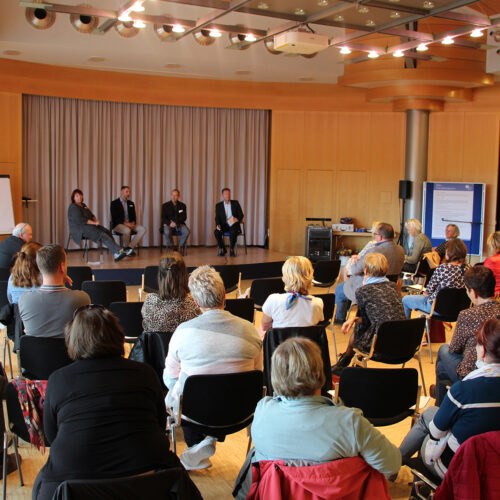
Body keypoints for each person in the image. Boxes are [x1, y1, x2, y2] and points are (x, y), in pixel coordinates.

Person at [32, 305, 179, 500]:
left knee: (41, 483)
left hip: (74, 480)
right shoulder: (145, 373)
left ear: (73, 340)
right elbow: (160, 424)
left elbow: (52, 436)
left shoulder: (59, 379)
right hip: (147, 477)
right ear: (117, 335)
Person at [235, 337, 401, 498]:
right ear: (320, 373)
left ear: (275, 377)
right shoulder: (349, 422)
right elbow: (392, 465)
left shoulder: (263, 411)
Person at [163, 265, 262, 470]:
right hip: (241, 411)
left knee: (178, 384)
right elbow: (257, 372)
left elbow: (169, 376)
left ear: (196, 303)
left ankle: (198, 443)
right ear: (224, 295)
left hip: (195, 413)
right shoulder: (250, 330)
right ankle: (208, 439)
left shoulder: (183, 332)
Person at [399, 317, 500, 479]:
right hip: (494, 469)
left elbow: (436, 432)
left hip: (460, 468)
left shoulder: (463, 389)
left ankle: (394, 466)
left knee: (429, 421)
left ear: (482, 351)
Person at [433, 266, 500, 405]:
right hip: (495, 367)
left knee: (443, 351)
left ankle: (441, 407)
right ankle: (442, 400)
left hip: (472, 372)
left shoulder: (468, 314)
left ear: (473, 293)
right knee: (441, 368)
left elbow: (454, 348)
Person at [332, 253, 406, 375]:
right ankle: (349, 362)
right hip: (404, 343)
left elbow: (365, 322)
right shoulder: (393, 286)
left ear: (365, 270)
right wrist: (354, 318)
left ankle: (348, 363)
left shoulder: (363, 290)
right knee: (364, 325)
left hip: (380, 346)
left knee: (360, 328)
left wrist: (354, 319)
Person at [334, 222, 404, 323]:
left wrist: (354, 262)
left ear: (379, 236)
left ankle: (339, 319)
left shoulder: (374, 250)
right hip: (391, 287)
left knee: (339, 290)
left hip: (368, 287)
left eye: (375, 234)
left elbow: (354, 270)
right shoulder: (400, 250)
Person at [18, 244, 90, 338]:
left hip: (37, 352)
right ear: (62, 266)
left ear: (39, 267)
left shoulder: (24, 299)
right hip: (70, 352)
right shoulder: (82, 298)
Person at [402, 238, 468, 319]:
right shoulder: (468, 269)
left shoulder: (443, 268)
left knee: (405, 299)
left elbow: (428, 292)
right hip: (459, 310)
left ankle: (404, 329)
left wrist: (426, 294)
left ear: (449, 252)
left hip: (437, 308)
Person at [260, 256, 323, 337]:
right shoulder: (318, 303)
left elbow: (264, 326)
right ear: (310, 275)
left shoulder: (273, 299)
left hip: (280, 347)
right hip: (306, 347)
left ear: (285, 276)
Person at [141, 251, 199, 333]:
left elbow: (147, 330)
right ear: (184, 275)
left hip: (156, 346)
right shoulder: (194, 304)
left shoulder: (150, 301)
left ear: (160, 276)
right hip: (183, 346)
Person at [67, 189, 130, 262]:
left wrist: (95, 220)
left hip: (89, 226)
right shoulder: (73, 207)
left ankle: (116, 253)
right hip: (80, 229)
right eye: (77, 196)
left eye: (80, 195)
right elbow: (81, 220)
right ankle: (118, 251)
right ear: (73, 197)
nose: (79, 197)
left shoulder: (83, 205)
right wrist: (94, 223)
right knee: (102, 235)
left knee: (107, 232)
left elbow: (91, 215)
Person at [110, 185, 146, 252]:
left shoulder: (131, 203)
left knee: (143, 229)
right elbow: (115, 217)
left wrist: (133, 223)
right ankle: (126, 249)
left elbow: (134, 216)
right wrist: (126, 224)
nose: (128, 193)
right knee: (127, 230)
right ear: (121, 192)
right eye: (127, 192)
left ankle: (129, 248)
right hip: (119, 224)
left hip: (130, 224)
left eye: (129, 192)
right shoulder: (114, 203)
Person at [214, 188, 244, 257]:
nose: (228, 196)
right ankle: (223, 249)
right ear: (222, 195)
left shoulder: (235, 203)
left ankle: (231, 249)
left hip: (233, 224)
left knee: (233, 231)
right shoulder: (218, 205)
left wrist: (237, 219)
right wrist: (218, 224)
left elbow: (241, 214)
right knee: (216, 232)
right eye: (226, 194)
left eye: (229, 194)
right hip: (224, 225)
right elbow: (217, 217)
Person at [161, 189, 190, 254]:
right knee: (167, 231)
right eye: (172, 195)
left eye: (175, 195)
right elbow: (163, 218)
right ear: (171, 195)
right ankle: (172, 247)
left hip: (179, 224)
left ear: (178, 196)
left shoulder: (183, 205)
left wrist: (176, 223)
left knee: (187, 231)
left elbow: (184, 217)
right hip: (169, 224)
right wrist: (169, 223)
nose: (174, 197)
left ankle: (180, 246)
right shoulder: (165, 205)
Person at [484, 231, 500, 296]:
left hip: (495, 298)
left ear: (494, 246)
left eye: (490, 247)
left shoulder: (491, 261)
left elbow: (483, 283)